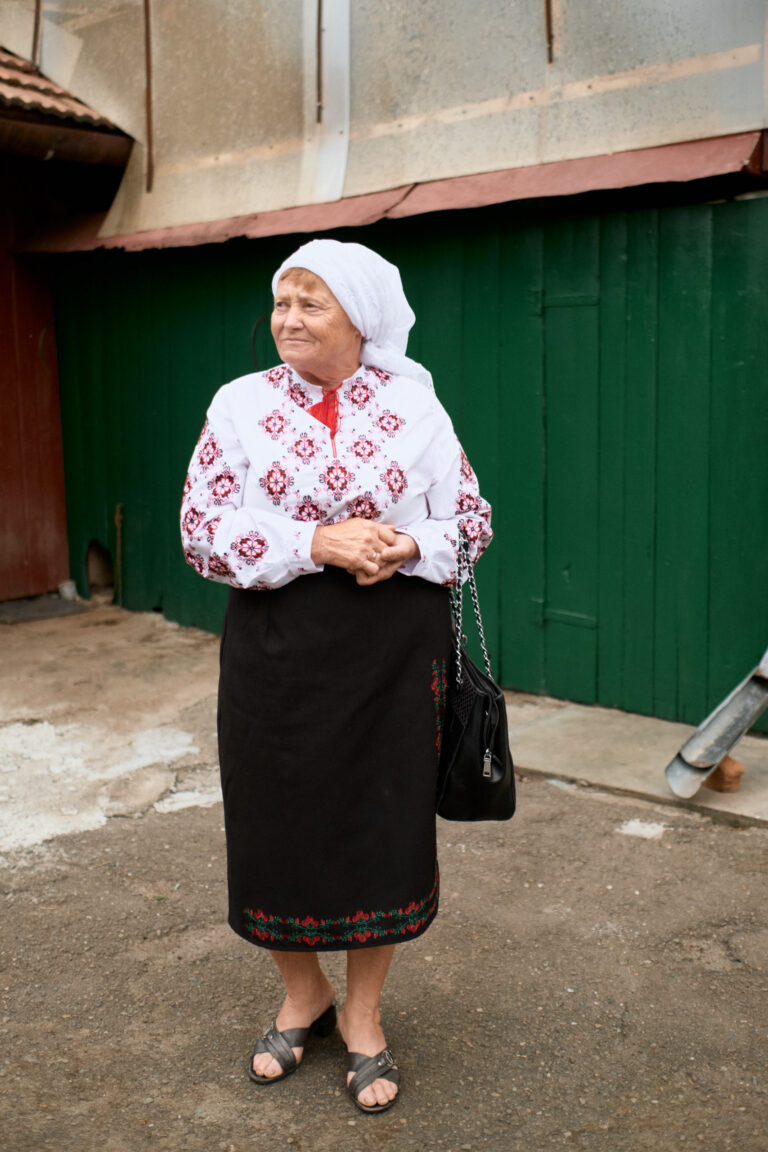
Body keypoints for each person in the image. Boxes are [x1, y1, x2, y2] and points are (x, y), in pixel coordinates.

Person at [180, 239, 492, 1113]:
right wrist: (314, 541)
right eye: (282, 302)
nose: (288, 319)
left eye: (312, 303)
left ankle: (361, 1014)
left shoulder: (416, 405)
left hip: (393, 649)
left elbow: (470, 521)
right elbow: (200, 528)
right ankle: (302, 992)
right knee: (276, 816)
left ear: (362, 317)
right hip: (277, 644)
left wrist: (409, 543)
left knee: (378, 823)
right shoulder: (239, 405)